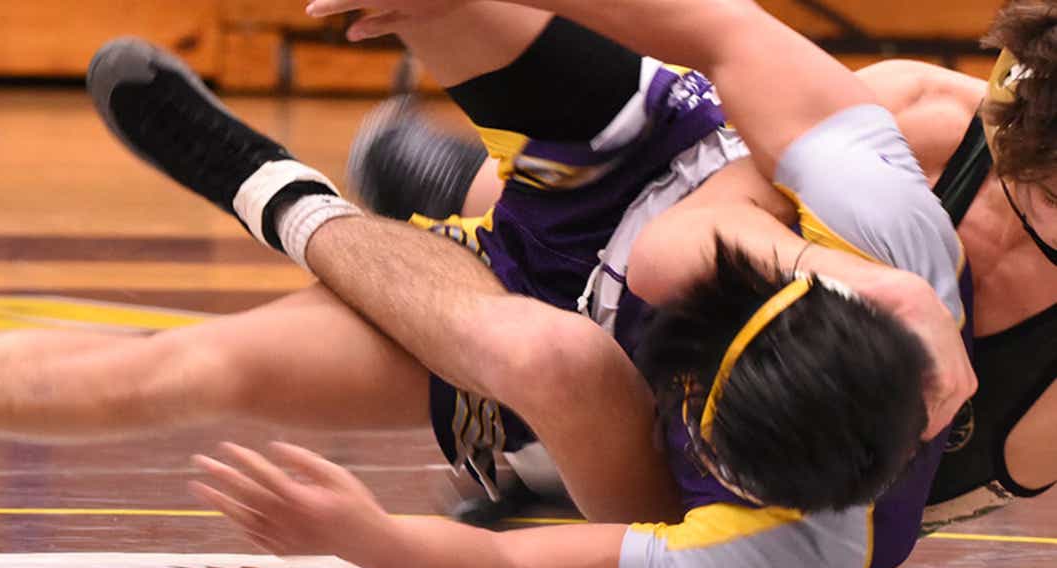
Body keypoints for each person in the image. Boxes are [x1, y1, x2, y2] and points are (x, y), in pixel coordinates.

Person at [0, 0, 993, 568]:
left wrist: (370, 537)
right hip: (650, 174)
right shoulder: (899, 246)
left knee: (205, 371)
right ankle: (410, 188)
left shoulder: (783, 561)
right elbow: (726, 34)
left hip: (557, 387)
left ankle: (281, 196)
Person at [342, 1, 1057, 530]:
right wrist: (877, 287)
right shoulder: (924, 115)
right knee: (630, 194)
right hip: (654, 290)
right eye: (1040, 184)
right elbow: (680, 238)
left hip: (798, 488)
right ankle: (460, 186)